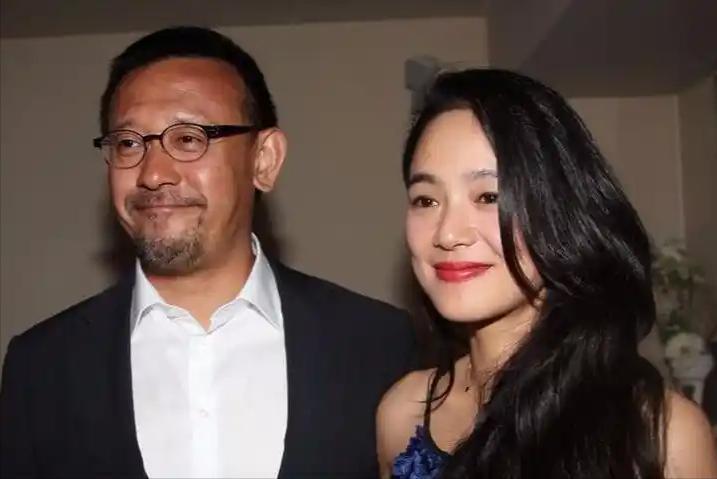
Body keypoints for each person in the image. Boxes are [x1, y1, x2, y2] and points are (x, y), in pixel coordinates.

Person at [0, 26, 414, 479]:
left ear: (264, 160)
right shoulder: (40, 367)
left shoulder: (382, 347)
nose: (153, 174)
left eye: (189, 138)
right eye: (128, 143)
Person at [376, 69, 717, 479]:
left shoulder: (660, 435)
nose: (447, 234)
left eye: (489, 196)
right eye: (426, 200)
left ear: (560, 212)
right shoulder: (404, 412)